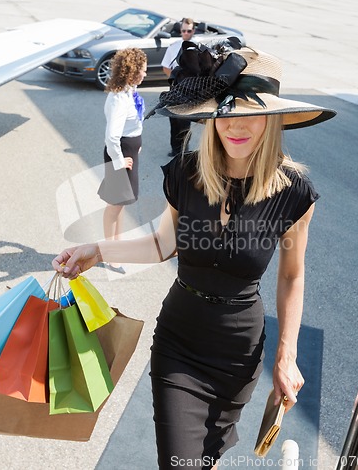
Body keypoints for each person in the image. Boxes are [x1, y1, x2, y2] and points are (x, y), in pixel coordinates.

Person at [53, 46, 336, 469]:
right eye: (226, 112)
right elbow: (161, 244)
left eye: (250, 112)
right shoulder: (186, 173)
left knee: (206, 459)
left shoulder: (293, 192)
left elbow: (292, 277)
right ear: (211, 116)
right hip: (179, 343)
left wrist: (287, 354)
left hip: (239, 353)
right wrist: (98, 250)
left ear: (274, 119)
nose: (235, 126)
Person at [97, 47, 147, 274]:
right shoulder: (118, 98)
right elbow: (112, 136)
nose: (145, 74)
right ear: (132, 71)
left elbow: (133, 125)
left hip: (129, 150)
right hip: (120, 153)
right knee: (114, 205)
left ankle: (117, 245)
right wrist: (119, 161)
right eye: (143, 71)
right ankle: (109, 253)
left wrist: (138, 145)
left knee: (122, 203)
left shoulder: (130, 92)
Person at [161, 17, 195, 157]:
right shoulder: (174, 47)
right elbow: (165, 67)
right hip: (175, 88)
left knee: (184, 122)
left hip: (189, 90)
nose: (186, 33)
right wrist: (175, 79)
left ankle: (184, 150)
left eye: (188, 31)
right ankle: (175, 149)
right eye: (183, 31)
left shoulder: (197, 48)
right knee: (173, 120)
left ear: (193, 31)